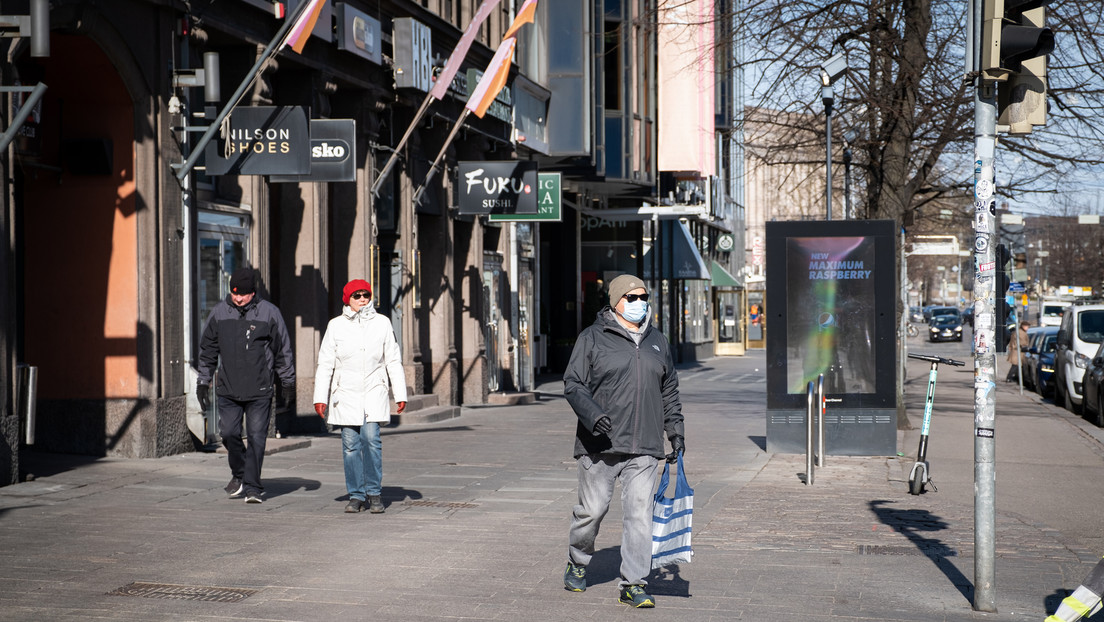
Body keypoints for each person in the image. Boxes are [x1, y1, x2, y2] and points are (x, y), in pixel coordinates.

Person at [561, 273, 685, 608]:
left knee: (640, 516)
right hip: (600, 444)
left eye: (643, 297)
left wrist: (675, 431)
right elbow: (573, 383)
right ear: (616, 301)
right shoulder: (592, 338)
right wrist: (593, 415)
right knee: (592, 512)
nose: (639, 303)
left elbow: (669, 390)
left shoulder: (657, 341)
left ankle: (634, 583)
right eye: (632, 297)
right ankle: (577, 560)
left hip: (645, 444)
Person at [197, 267, 295, 504]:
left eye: (243, 294)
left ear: (253, 292)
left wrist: (288, 382)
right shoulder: (220, 313)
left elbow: (283, 350)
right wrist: (203, 381)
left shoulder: (270, 313)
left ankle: (252, 486)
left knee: (257, 438)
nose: (238, 298)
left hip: (259, 389)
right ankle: (240, 474)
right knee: (229, 433)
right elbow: (208, 350)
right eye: (234, 293)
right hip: (228, 389)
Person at [313, 279, 407, 514]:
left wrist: (400, 393)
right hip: (345, 393)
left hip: (374, 390)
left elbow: (393, 359)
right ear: (347, 299)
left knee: (372, 440)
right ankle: (356, 495)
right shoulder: (335, 326)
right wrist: (319, 397)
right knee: (350, 446)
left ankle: (374, 493)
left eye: (366, 294)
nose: (363, 299)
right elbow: (325, 362)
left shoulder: (382, 322)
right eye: (357, 295)